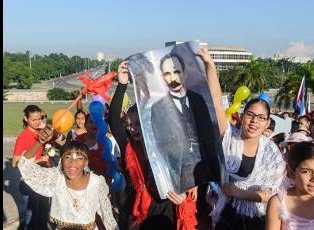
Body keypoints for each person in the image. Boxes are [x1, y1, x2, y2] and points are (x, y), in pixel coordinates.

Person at [108, 60, 198, 230]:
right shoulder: (128, 145)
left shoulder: (167, 143)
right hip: (136, 210)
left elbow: (186, 166)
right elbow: (113, 119)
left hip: (164, 208)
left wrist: (188, 188)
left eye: (137, 124)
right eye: (128, 124)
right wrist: (121, 84)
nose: (132, 128)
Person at [202, 46, 285, 229]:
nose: (255, 121)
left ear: (267, 123)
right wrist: (210, 65)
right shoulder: (230, 137)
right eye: (250, 115)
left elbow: (274, 193)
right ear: (241, 116)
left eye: (261, 117)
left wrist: (239, 193)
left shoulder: (271, 153)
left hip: (257, 219)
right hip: (227, 215)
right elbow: (215, 102)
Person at [17, 129, 118, 230]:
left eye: (79, 158)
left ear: (86, 162)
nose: (73, 162)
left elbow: (107, 216)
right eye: (68, 157)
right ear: (61, 160)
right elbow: (25, 165)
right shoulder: (56, 178)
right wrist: (40, 142)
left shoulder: (96, 182)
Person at [150, 53, 221, 193]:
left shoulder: (198, 100)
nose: (173, 78)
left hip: (207, 176)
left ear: (185, 73)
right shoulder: (158, 108)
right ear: (162, 78)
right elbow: (160, 148)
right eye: (167, 74)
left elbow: (210, 136)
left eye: (176, 71)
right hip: (180, 179)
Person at [12, 105, 52, 230]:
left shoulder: (43, 132)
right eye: (34, 120)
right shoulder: (23, 137)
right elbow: (15, 162)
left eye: (39, 119)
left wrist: (48, 148)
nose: (37, 122)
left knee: (43, 216)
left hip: (44, 179)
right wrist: (39, 159)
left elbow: (46, 150)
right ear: (26, 119)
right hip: (30, 183)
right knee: (32, 218)